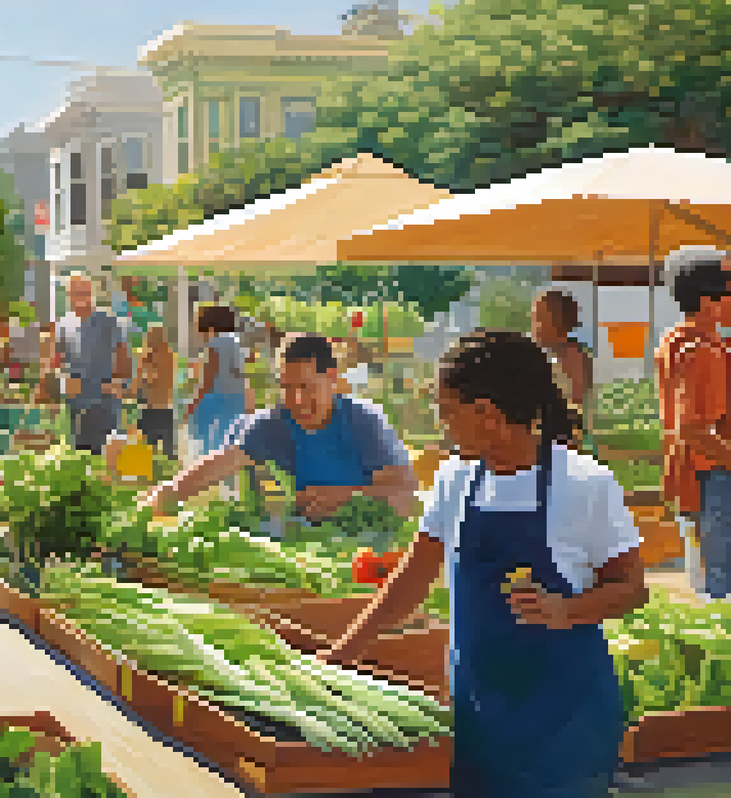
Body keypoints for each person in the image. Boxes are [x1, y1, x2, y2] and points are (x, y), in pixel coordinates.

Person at [322, 329, 647, 797]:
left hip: (566, 728)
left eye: (447, 412)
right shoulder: (455, 478)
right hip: (481, 722)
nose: (442, 424)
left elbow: (633, 586)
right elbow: (412, 578)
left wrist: (565, 611)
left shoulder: (584, 483)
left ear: (488, 417)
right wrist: (344, 654)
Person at [141, 333, 417, 521]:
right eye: (287, 388)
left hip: (371, 548)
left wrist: (345, 496)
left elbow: (404, 495)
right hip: (307, 546)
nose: (297, 400)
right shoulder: (273, 424)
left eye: (306, 387)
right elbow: (219, 465)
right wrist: (165, 495)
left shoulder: (364, 421)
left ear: (331, 378)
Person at [657, 246, 731, 601]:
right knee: (721, 589)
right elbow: (693, 429)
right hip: (712, 477)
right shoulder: (700, 350)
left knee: (711, 583)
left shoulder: (679, 341)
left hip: (696, 477)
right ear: (708, 302)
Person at [56, 275, 132, 454]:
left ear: (91, 293)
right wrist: (62, 380)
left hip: (103, 402)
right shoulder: (64, 323)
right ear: (68, 295)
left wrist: (118, 382)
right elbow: (58, 359)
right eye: (75, 293)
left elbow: (123, 355)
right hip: (76, 401)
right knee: (80, 453)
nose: (80, 297)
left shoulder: (107, 321)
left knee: (105, 455)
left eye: (84, 292)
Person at [188, 305, 251, 457]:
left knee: (204, 442)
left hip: (218, 399)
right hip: (236, 400)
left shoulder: (216, 343)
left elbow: (208, 379)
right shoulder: (236, 342)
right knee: (227, 442)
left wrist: (194, 402)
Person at [531, 289, 594, 424]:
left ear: (560, 322)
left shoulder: (571, 357)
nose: (534, 327)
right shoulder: (547, 356)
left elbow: (577, 406)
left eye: (540, 319)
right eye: (534, 319)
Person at [136, 324, 177, 459]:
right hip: (167, 407)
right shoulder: (170, 355)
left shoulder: (151, 357)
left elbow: (149, 378)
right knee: (168, 453)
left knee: (147, 452)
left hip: (152, 408)